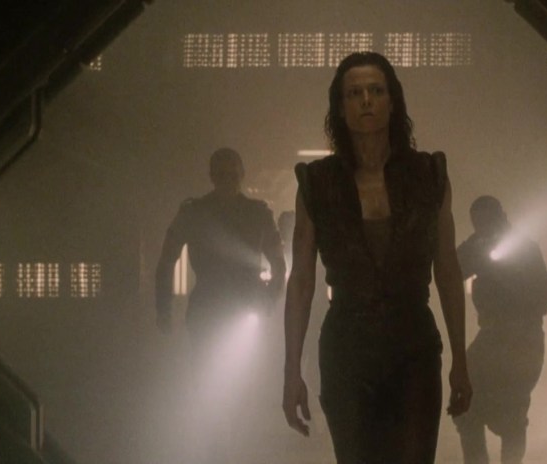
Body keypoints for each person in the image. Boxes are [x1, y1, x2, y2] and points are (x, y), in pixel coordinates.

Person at [281, 51, 472, 463]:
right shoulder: (317, 183)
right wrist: (291, 370)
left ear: (392, 100)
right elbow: (301, 280)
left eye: (375, 90)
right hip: (347, 351)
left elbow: (448, 269)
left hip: (414, 348)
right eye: (354, 93)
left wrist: (460, 358)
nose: (366, 100)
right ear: (340, 107)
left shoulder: (429, 175)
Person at [154, 147, 286, 361]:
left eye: (232, 175)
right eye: (222, 175)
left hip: (234, 308)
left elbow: (279, 264)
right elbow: (166, 261)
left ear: (241, 175)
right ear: (213, 177)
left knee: (241, 373)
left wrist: (269, 300)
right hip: (214, 310)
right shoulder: (196, 212)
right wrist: (163, 308)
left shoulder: (254, 214)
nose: (228, 181)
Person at [453, 195, 547, 464]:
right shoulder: (479, 246)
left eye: (487, 221)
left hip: (523, 338)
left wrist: (503, 271)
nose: (484, 227)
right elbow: (453, 269)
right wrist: (479, 250)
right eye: (479, 223)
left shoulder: (525, 249)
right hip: (493, 336)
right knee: (465, 404)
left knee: (512, 416)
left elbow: (543, 293)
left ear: (500, 218)